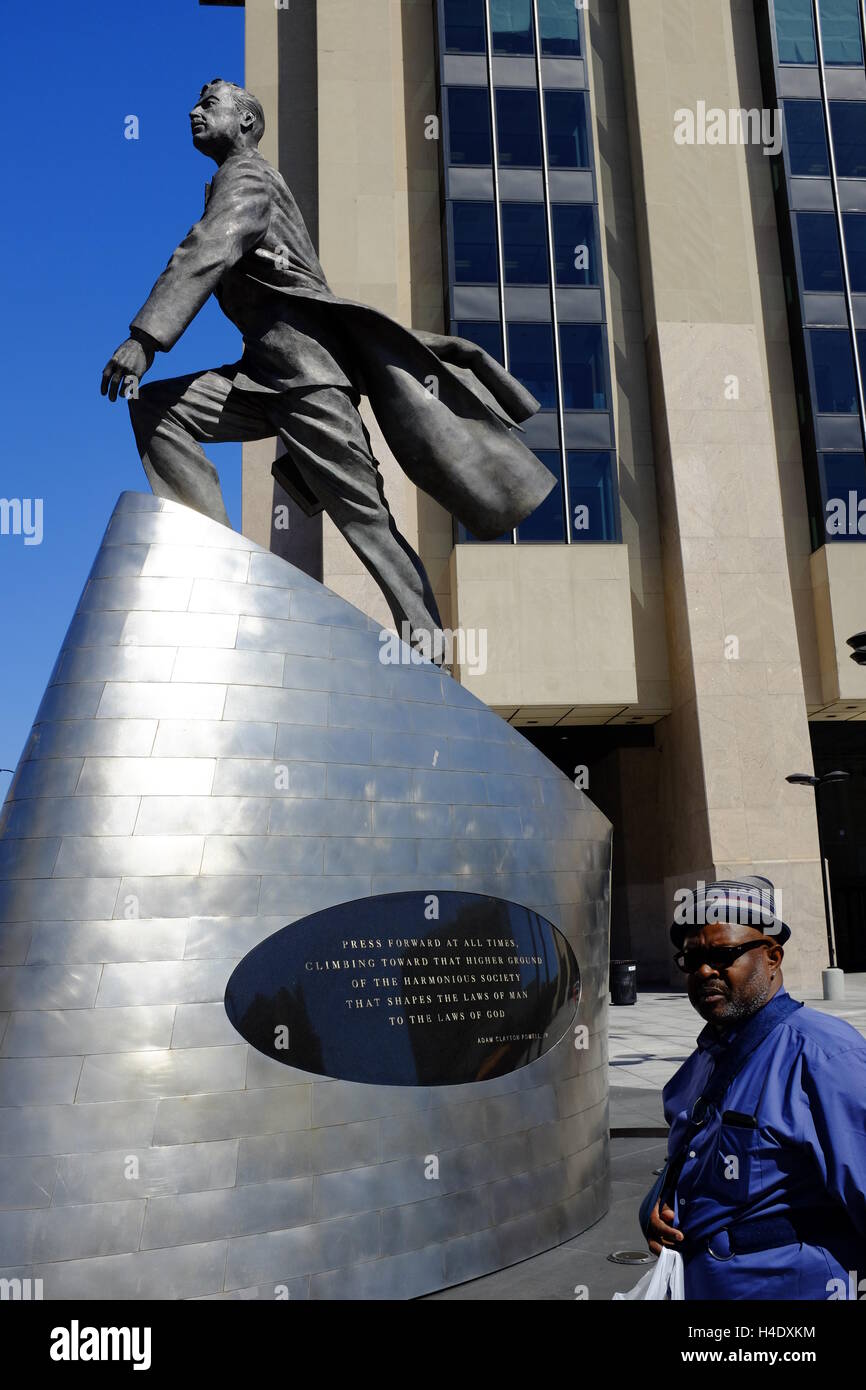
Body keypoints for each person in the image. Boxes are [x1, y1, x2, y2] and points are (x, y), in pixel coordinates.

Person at [100, 78, 553, 653]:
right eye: (194, 102)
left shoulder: (248, 178)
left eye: (208, 104)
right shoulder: (229, 180)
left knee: (367, 523)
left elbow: (206, 250)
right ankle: (219, 570)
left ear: (245, 123)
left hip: (309, 382)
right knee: (160, 410)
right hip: (263, 376)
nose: (193, 112)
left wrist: (144, 338)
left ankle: (431, 652)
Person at [644, 876, 866, 1300]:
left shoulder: (826, 1055)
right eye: (692, 959)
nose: (705, 970)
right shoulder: (707, 1054)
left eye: (724, 954)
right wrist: (656, 1203)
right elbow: (689, 1155)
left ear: (772, 958)